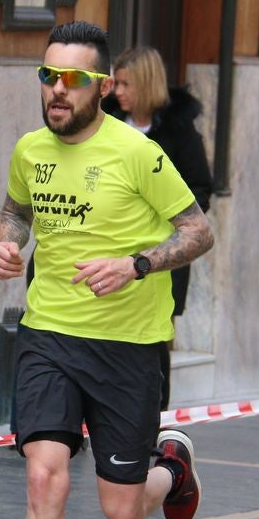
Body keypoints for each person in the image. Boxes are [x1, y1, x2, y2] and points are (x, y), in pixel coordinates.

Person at [0, 21, 214, 519]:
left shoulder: (137, 153)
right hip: (48, 334)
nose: (57, 91)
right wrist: (6, 246)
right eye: (48, 77)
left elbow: (198, 230)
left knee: (119, 510)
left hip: (128, 348)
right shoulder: (30, 150)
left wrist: (136, 265)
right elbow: (16, 209)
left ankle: (170, 466)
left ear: (104, 87)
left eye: (73, 80)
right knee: (43, 478)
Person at [103, 45, 213, 409]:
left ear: (146, 84)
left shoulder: (179, 130)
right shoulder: (107, 125)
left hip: (161, 251)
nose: (117, 91)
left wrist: (168, 224)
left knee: (154, 338)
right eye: (115, 83)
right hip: (112, 244)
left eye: (125, 84)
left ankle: (153, 414)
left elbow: (200, 187)